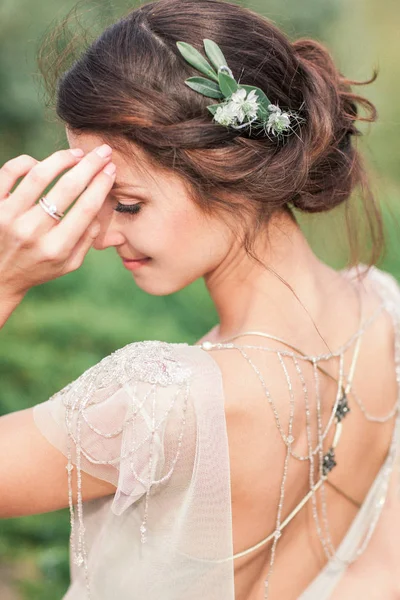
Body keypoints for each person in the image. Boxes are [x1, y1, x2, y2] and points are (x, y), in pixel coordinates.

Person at [1, 0, 399, 598]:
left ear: (224, 164)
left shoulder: (159, 399)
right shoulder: (384, 309)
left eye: (127, 203)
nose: (103, 234)